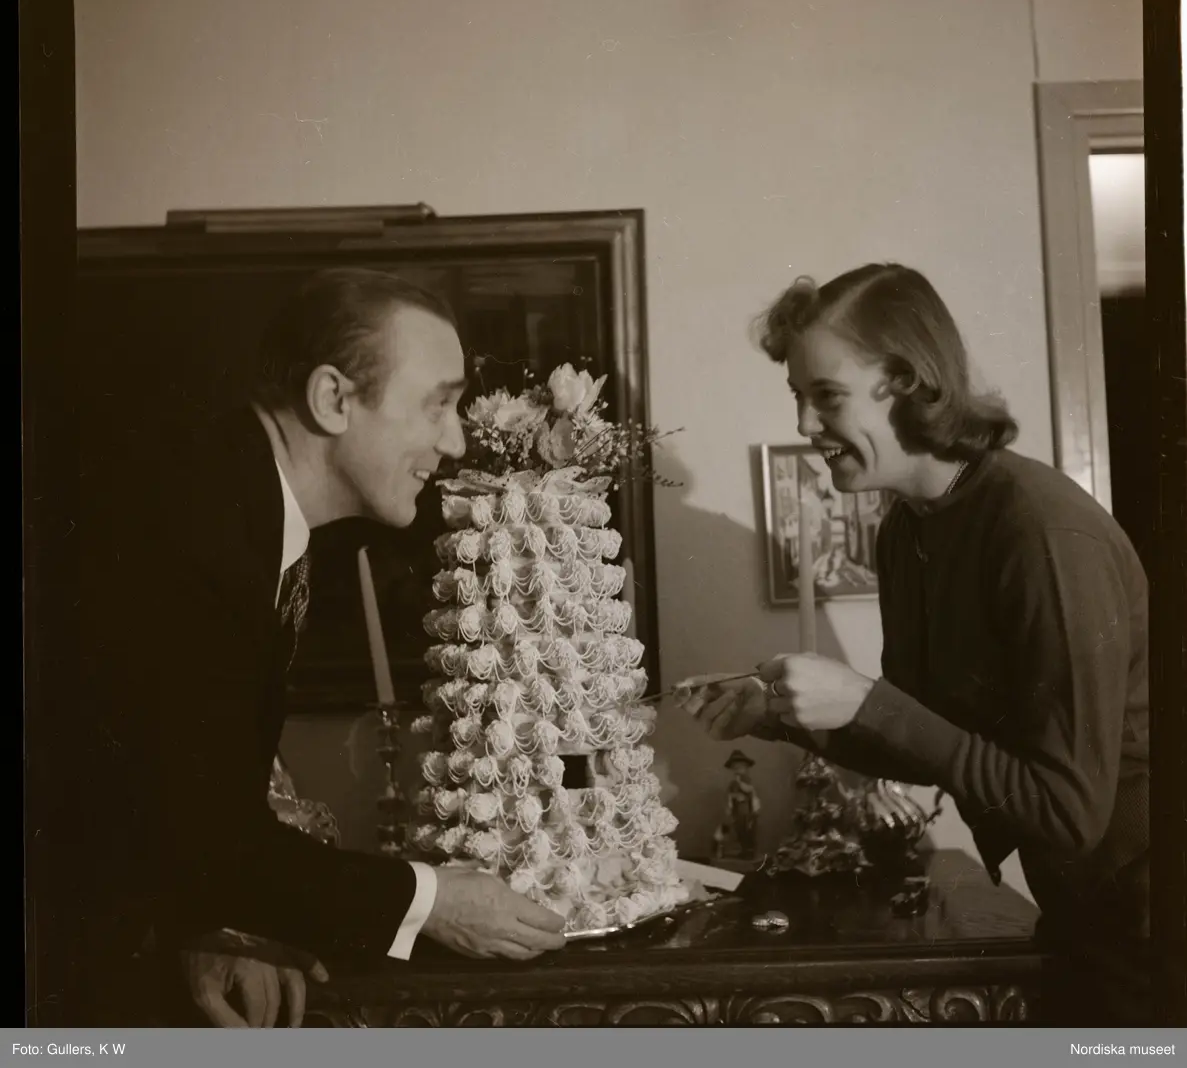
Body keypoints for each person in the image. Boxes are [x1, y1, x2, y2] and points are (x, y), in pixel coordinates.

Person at [81, 268, 566, 1027]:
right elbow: (199, 836)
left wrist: (224, 922)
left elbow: (182, 800)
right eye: (437, 403)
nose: (454, 440)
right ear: (333, 399)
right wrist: (432, 902)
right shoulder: (193, 527)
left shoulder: (237, 499)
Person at [677, 263, 1151, 1024]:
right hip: (1081, 916)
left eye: (826, 396)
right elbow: (925, 739)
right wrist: (777, 713)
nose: (804, 424)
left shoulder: (1040, 533)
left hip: (1153, 925)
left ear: (907, 381)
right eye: (797, 396)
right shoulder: (907, 529)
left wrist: (864, 700)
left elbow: (1067, 812)